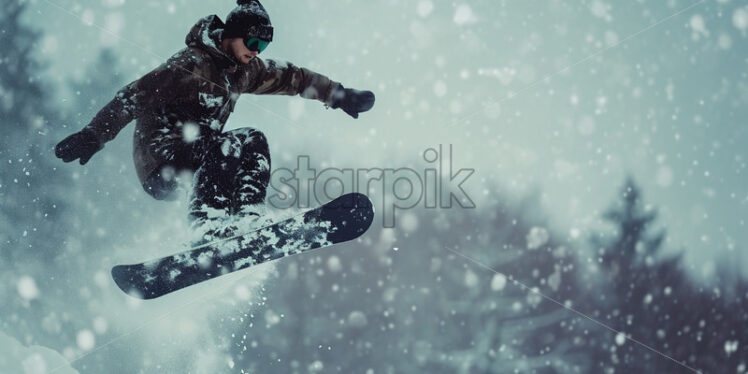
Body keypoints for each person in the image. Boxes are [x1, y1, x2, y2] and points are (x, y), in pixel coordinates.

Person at [54, 0, 375, 243]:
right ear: (231, 37)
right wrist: (94, 135)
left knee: (253, 139)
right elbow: (131, 97)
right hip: (161, 162)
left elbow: (292, 78)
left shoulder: (244, 70)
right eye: (252, 43)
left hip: (201, 158)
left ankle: (248, 215)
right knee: (229, 143)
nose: (256, 51)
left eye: (263, 45)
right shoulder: (189, 65)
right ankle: (208, 221)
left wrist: (338, 95)